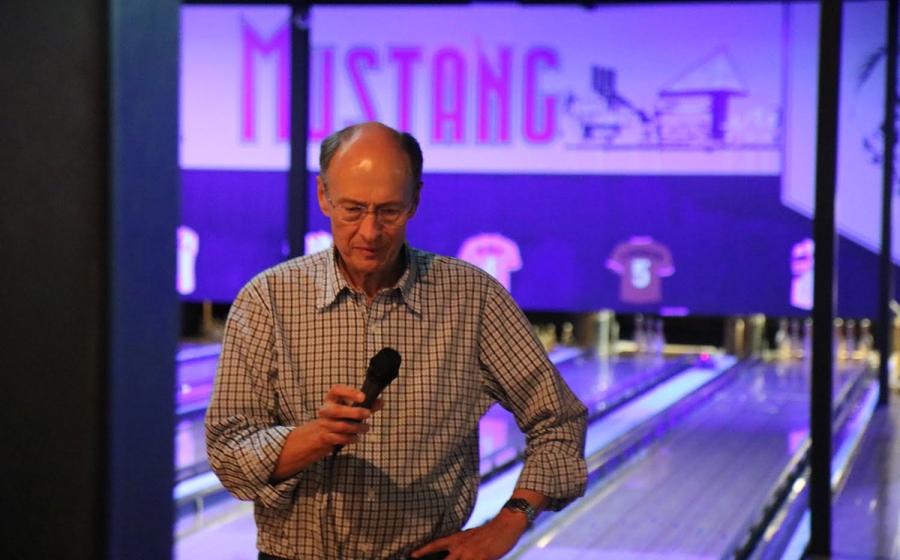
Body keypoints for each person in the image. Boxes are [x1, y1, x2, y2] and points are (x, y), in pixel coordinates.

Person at [206, 121, 588, 560]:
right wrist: (317, 436)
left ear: (415, 201)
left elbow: (559, 421)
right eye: (352, 209)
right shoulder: (267, 299)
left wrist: (509, 521)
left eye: (388, 211)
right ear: (323, 196)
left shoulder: (472, 298)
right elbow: (230, 453)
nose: (369, 232)